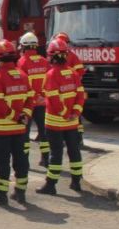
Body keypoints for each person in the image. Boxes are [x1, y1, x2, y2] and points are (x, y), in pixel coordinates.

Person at [0, 40, 32, 206]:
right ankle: (20, 192)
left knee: (2, 164)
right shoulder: (23, 75)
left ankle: (1, 194)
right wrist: (24, 115)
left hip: (3, 129)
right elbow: (30, 99)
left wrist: (14, 116)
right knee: (21, 161)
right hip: (20, 129)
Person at [36, 38, 86, 195]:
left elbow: (54, 99)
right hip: (72, 123)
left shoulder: (51, 75)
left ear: (51, 56)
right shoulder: (73, 73)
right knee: (74, 150)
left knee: (56, 153)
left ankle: (51, 184)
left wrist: (64, 113)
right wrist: (75, 113)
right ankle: (76, 182)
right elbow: (80, 96)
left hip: (55, 123)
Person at [16, 33, 51, 167]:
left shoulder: (22, 62)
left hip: (28, 103)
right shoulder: (44, 61)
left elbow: (20, 83)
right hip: (42, 102)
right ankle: (46, 159)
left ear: (23, 47)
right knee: (43, 132)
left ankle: (25, 161)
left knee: (25, 133)